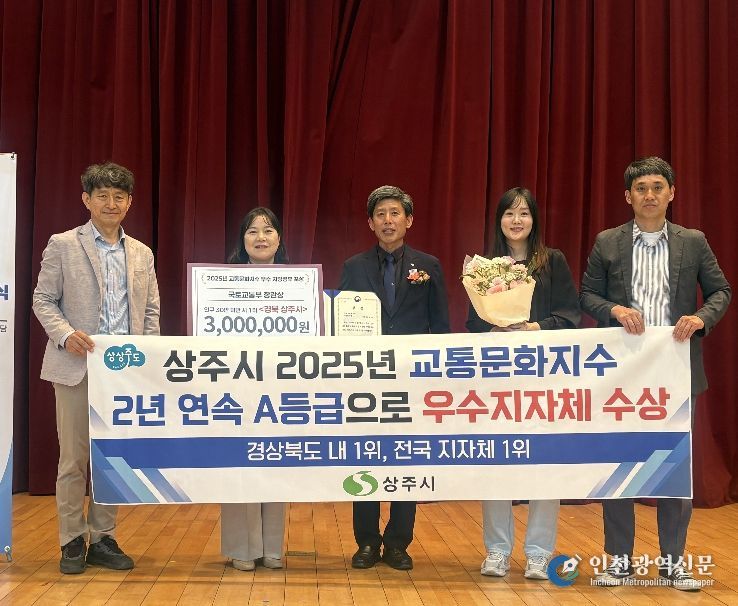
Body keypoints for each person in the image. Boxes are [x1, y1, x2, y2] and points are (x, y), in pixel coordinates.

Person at [580, 156, 731, 592]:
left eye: (657, 187)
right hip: (623, 373)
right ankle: (619, 561)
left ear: (671, 194)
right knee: (620, 466)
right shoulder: (608, 241)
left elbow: (721, 291)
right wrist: (614, 310)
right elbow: (587, 294)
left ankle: (673, 562)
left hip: (676, 370)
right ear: (628, 196)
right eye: (641, 188)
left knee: (673, 469)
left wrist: (701, 318)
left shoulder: (693, 241)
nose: (649, 195)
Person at [32, 162, 160, 574]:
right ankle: (72, 540)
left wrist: (147, 359)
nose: (111, 203)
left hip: (123, 372)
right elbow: (43, 300)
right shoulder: (63, 244)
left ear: (130, 202)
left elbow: (151, 311)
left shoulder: (141, 252)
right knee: (73, 460)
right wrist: (65, 334)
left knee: (113, 459)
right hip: (76, 366)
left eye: (119, 196)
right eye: (102, 195)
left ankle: (103, 538)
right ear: (86, 199)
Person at [466, 187, 580, 579]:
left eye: (524, 213)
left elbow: (570, 315)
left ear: (535, 219)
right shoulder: (483, 267)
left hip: (544, 376)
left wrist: (534, 327)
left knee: (545, 463)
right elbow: (472, 322)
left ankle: (538, 552)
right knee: (496, 462)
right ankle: (497, 550)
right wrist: (495, 327)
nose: (517, 221)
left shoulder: (553, 261)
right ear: (498, 220)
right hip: (497, 379)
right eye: (509, 213)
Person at [340, 185, 450, 571]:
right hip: (367, 380)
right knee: (366, 457)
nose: (388, 221)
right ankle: (367, 542)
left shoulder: (429, 265)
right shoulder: (354, 267)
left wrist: (438, 375)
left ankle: (399, 542)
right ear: (370, 223)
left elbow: (440, 326)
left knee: (407, 458)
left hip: (413, 380)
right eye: (381, 214)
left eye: (395, 213)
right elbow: (342, 325)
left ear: (409, 220)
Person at [220, 207, 289, 571]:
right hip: (235, 385)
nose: (261, 237)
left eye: (268, 230)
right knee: (238, 461)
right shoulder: (221, 283)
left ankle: (272, 545)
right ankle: (242, 548)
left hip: (283, 386)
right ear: (242, 239)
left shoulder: (297, 283)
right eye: (252, 231)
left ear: (279, 238)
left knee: (275, 459)